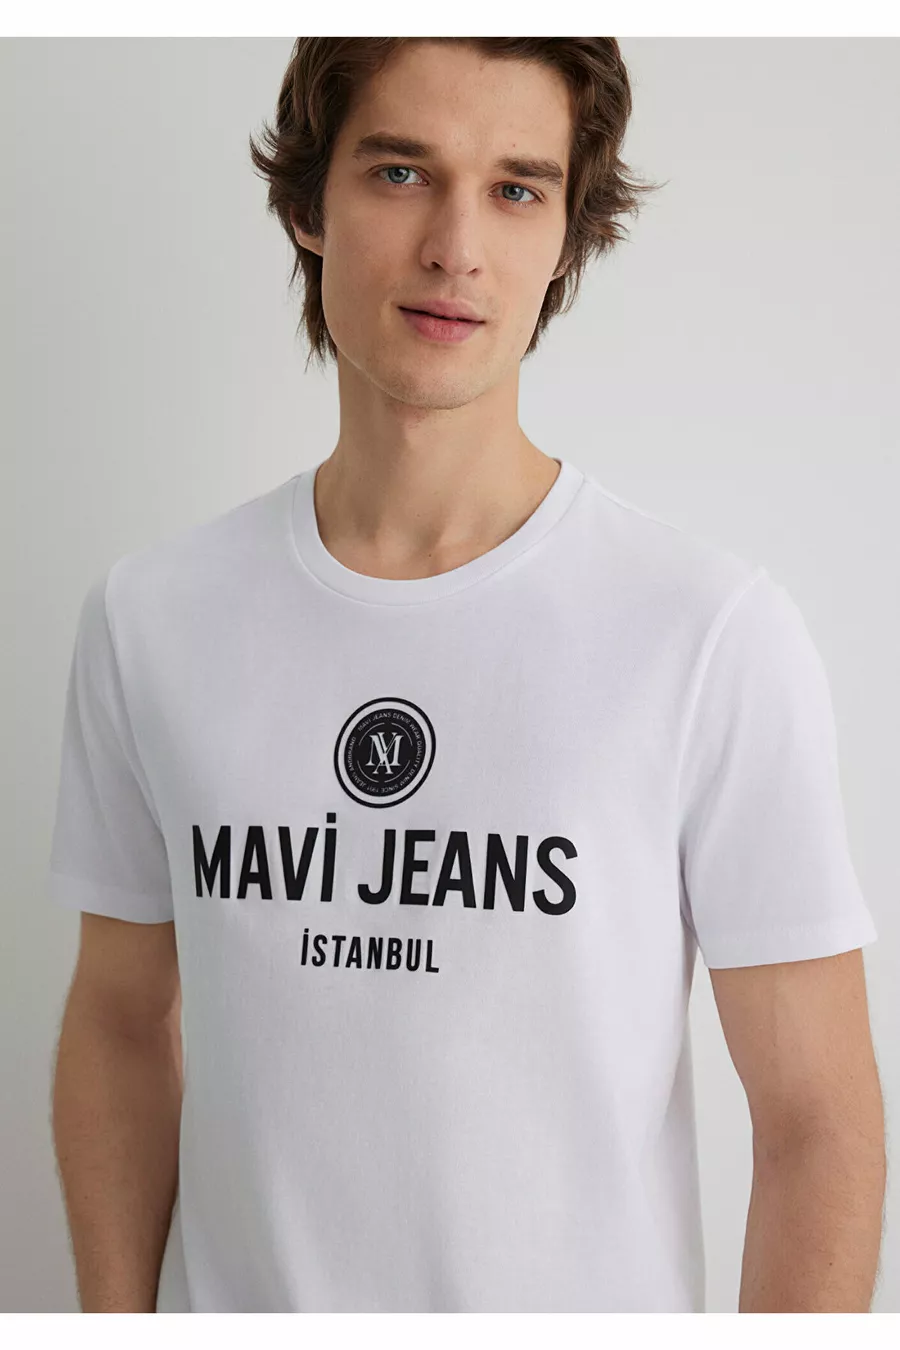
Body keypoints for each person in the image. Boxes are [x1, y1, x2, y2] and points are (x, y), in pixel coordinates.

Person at [48, 37, 885, 1314]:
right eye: (400, 173)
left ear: (567, 236)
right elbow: (118, 1020)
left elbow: (817, 1119)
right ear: (308, 204)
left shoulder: (709, 635)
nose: (457, 248)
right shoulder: (151, 619)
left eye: (516, 188)